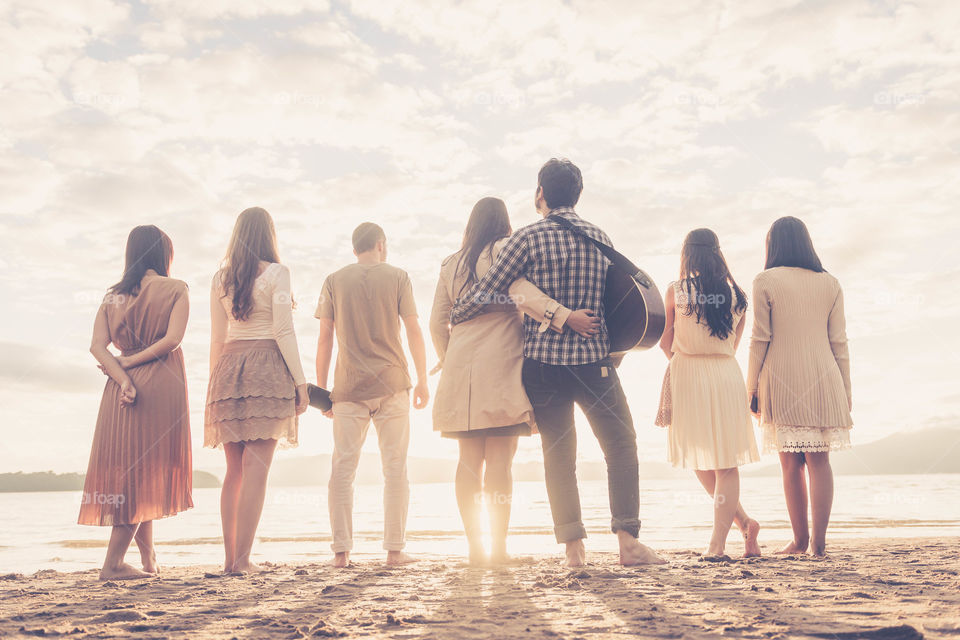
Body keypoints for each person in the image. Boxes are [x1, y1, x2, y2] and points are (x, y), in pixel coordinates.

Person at [450, 159, 664, 567]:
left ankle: (574, 550)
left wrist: (457, 313)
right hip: (594, 364)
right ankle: (628, 543)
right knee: (620, 446)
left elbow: (490, 290)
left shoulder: (526, 239)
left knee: (559, 455)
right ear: (577, 194)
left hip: (542, 366)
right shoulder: (600, 237)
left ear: (540, 194)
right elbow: (615, 305)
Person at [429, 197, 601, 565]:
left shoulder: (450, 264)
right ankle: (499, 549)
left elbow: (436, 321)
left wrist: (448, 356)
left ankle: (475, 548)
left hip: (461, 366)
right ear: (504, 223)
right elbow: (524, 295)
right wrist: (563, 315)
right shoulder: (506, 250)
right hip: (502, 363)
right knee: (500, 464)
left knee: (468, 462)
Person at [79, 224, 193, 580]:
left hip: (120, 389)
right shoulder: (176, 288)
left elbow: (97, 346)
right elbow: (173, 340)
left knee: (136, 471)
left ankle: (148, 560)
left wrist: (123, 374)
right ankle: (113, 564)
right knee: (145, 472)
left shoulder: (113, 295)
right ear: (164, 255)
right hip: (160, 382)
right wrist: (130, 365)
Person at [315, 222, 429, 568]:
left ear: (355, 250)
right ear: (381, 244)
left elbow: (325, 338)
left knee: (342, 469)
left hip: (348, 388)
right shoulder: (398, 276)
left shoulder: (334, 280)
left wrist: (322, 393)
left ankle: (341, 553)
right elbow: (412, 329)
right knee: (395, 468)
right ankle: (395, 552)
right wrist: (423, 379)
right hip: (393, 382)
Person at [205, 207, 309, 574]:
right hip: (266, 366)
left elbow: (218, 338)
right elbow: (283, 331)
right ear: (270, 235)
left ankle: (229, 560)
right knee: (257, 468)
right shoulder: (278, 273)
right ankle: (242, 561)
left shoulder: (220, 278)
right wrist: (300, 382)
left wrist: (213, 386)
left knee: (234, 471)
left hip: (228, 369)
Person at [747, 216, 853, 557]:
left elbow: (760, 339)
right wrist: (846, 391)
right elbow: (839, 342)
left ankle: (800, 541)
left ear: (772, 244)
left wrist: (750, 388)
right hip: (825, 377)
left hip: (781, 376)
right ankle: (818, 545)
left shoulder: (765, 280)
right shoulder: (831, 283)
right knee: (820, 461)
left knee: (790, 464)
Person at [657, 228, 761, 559]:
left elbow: (664, 341)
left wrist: (684, 361)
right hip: (726, 374)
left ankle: (717, 544)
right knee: (723, 461)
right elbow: (733, 344)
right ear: (718, 253)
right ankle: (743, 523)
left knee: (700, 454)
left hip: (688, 372)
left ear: (687, 254)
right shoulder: (739, 296)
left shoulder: (676, 291)